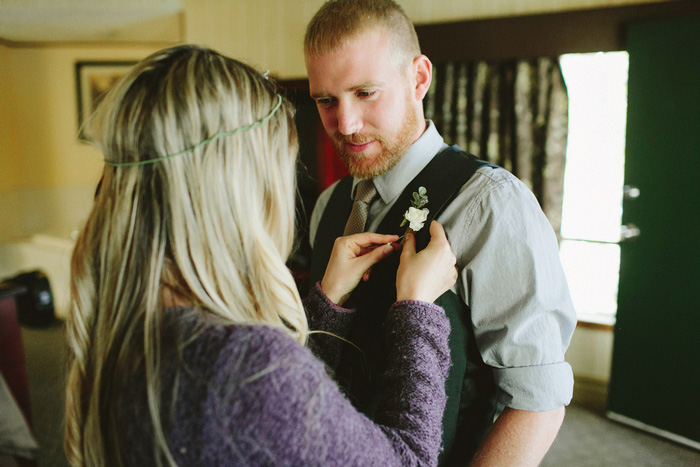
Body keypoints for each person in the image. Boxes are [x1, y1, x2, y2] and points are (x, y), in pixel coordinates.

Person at [63, 44, 461, 466]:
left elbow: (274, 431)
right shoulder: (241, 364)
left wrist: (326, 302)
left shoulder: (124, 328)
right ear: (240, 190)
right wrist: (416, 311)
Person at [304, 1, 578, 465]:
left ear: (419, 78)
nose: (345, 125)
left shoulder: (492, 203)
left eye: (366, 93)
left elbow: (538, 401)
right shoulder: (329, 206)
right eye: (326, 101)